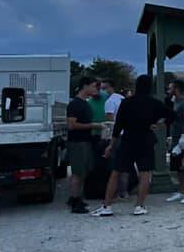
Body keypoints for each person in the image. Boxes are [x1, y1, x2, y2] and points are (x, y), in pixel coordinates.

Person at [92, 75, 168, 217]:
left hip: (127, 140)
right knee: (145, 174)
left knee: (116, 173)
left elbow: (118, 125)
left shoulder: (126, 102)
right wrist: (156, 123)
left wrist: (111, 145)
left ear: (136, 86)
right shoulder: (154, 102)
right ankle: (139, 206)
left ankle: (107, 206)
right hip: (146, 140)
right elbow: (170, 115)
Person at [65, 77, 103, 214]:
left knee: (83, 171)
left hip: (84, 141)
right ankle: (75, 201)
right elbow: (71, 125)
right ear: (85, 86)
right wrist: (93, 125)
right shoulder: (75, 104)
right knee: (78, 172)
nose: (95, 89)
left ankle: (76, 197)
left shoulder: (84, 103)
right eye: (93, 86)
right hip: (77, 142)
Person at [102, 80, 129, 199]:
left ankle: (116, 192)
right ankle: (124, 191)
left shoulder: (109, 102)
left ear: (110, 88)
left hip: (117, 136)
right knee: (125, 165)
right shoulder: (122, 98)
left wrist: (108, 141)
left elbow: (109, 122)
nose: (102, 90)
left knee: (115, 165)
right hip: (127, 135)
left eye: (104, 88)